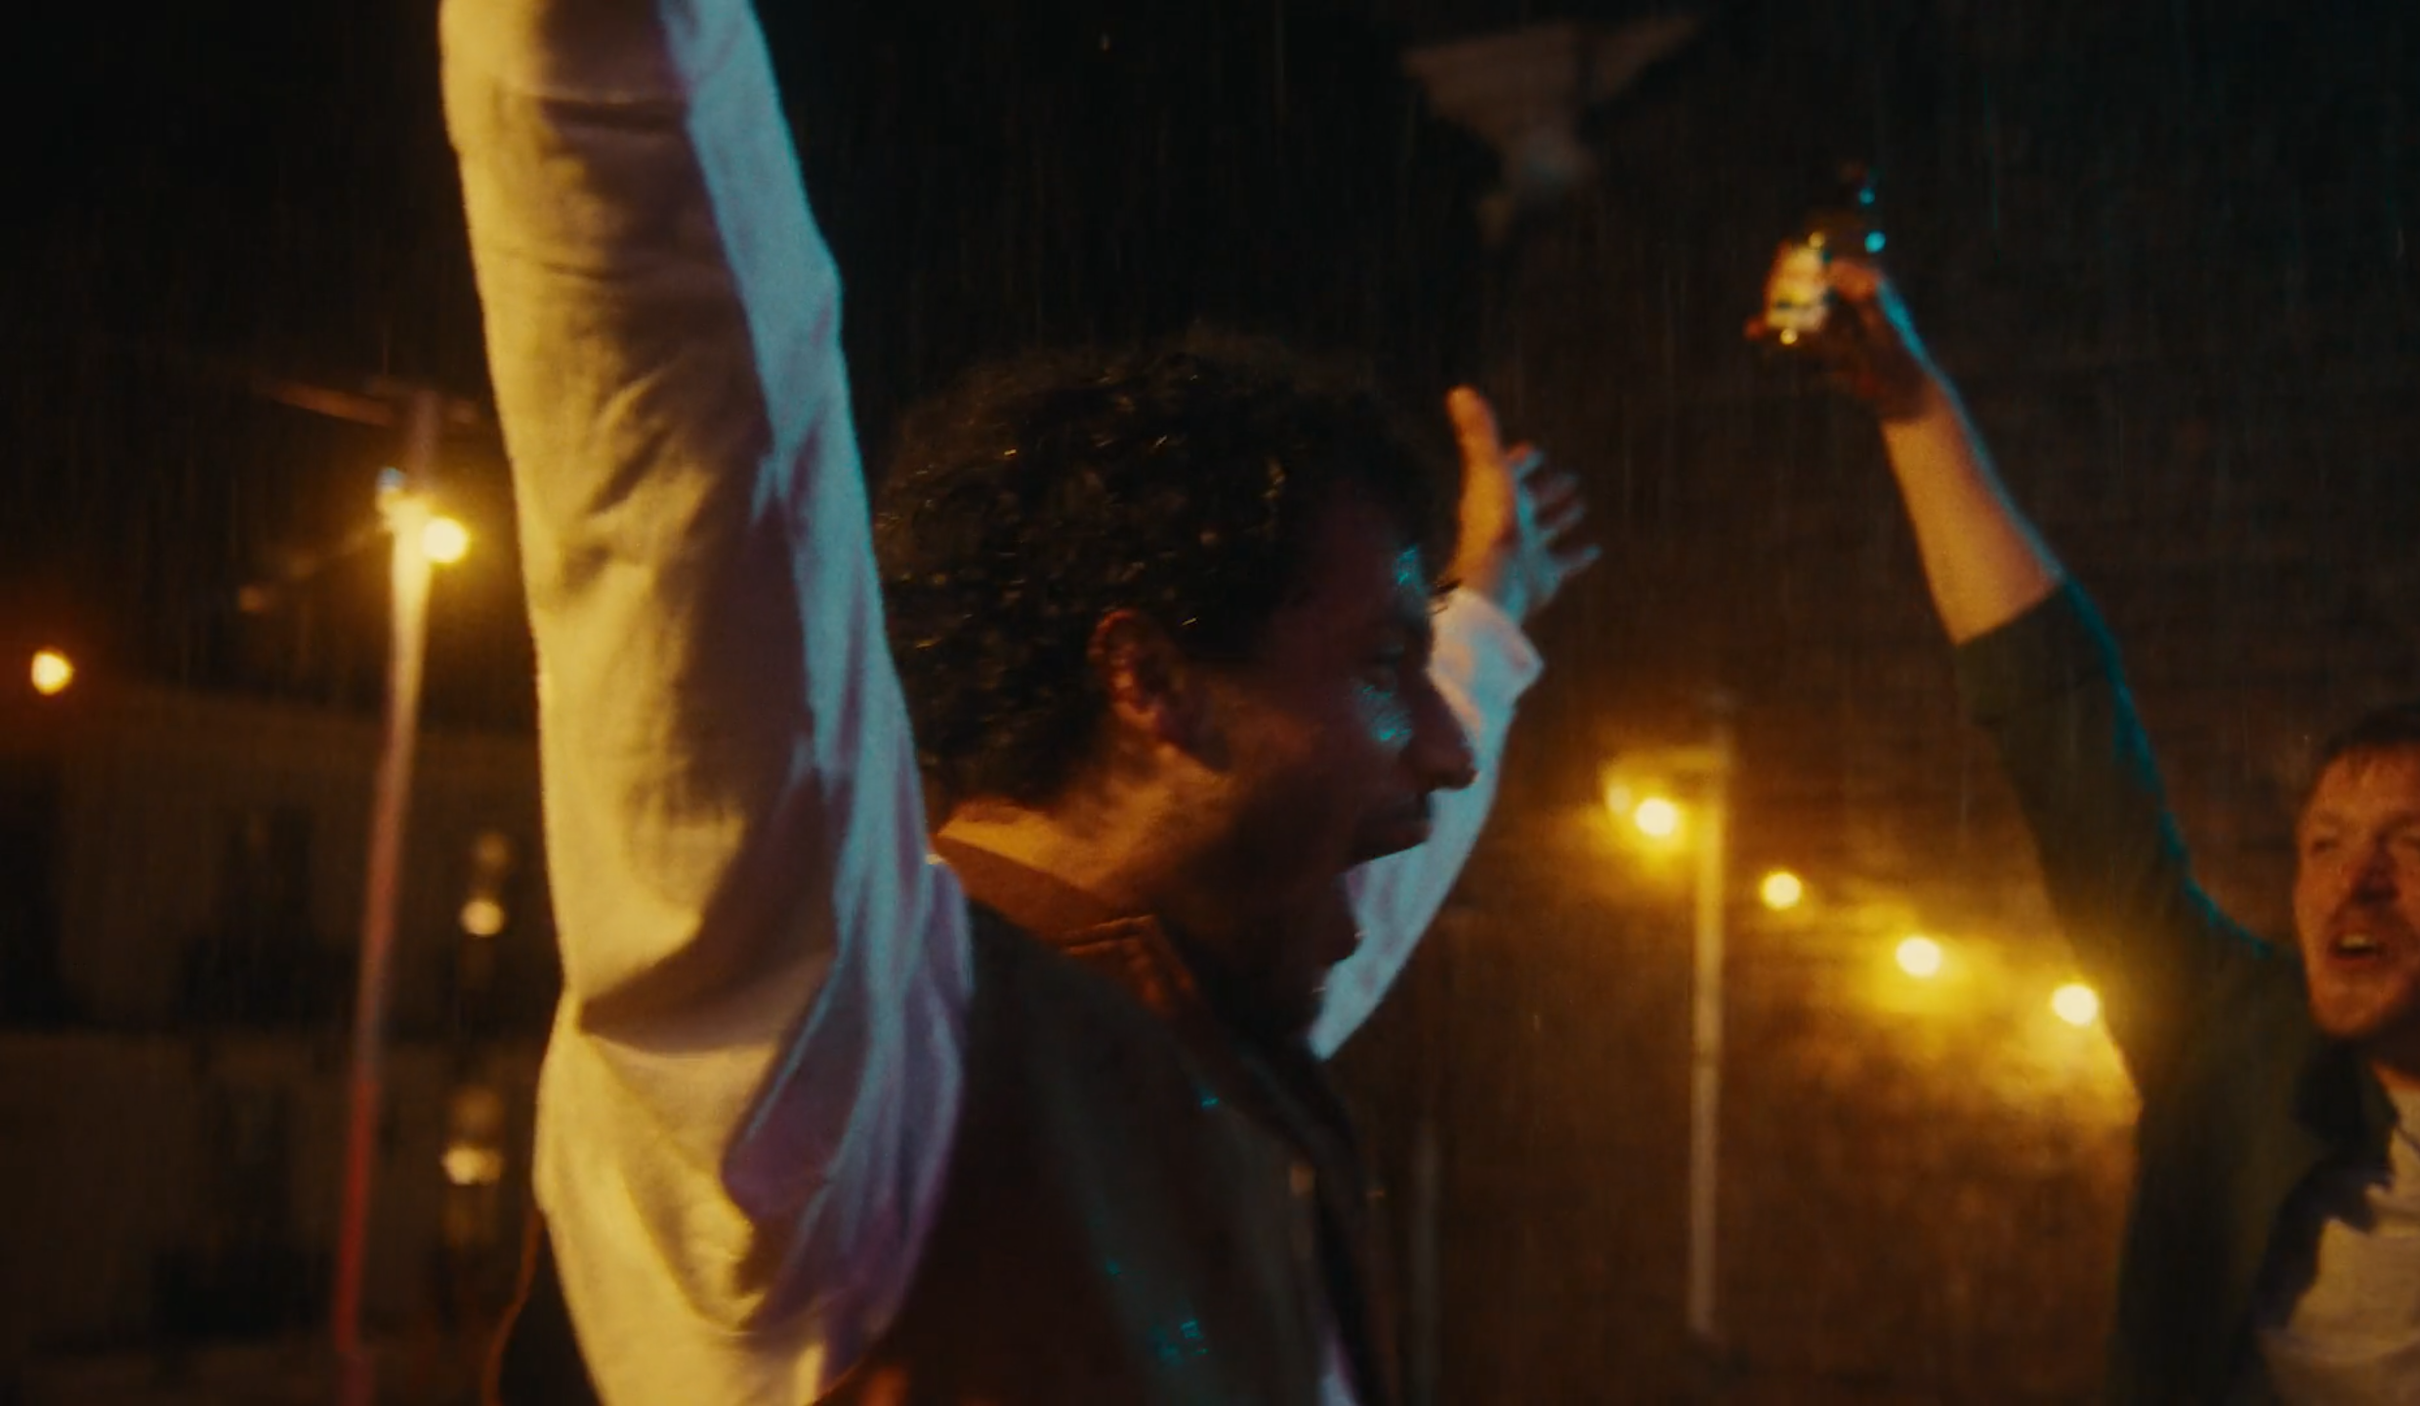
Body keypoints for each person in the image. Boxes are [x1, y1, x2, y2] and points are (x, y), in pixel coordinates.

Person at [441, 1, 1597, 1401]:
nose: (1446, 747)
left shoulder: (1157, 1038)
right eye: (1377, 668)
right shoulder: (837, 1062)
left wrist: (1487, 611)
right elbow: (693, 411)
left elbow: (1361, 912)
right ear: (1152, 683)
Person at [1757, 252, 2420, 1400]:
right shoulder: (2228, 1044)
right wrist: (1911, 410)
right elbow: (2063, 736)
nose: (2352, 883)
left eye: (2416, 845)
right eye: (2323, 841)